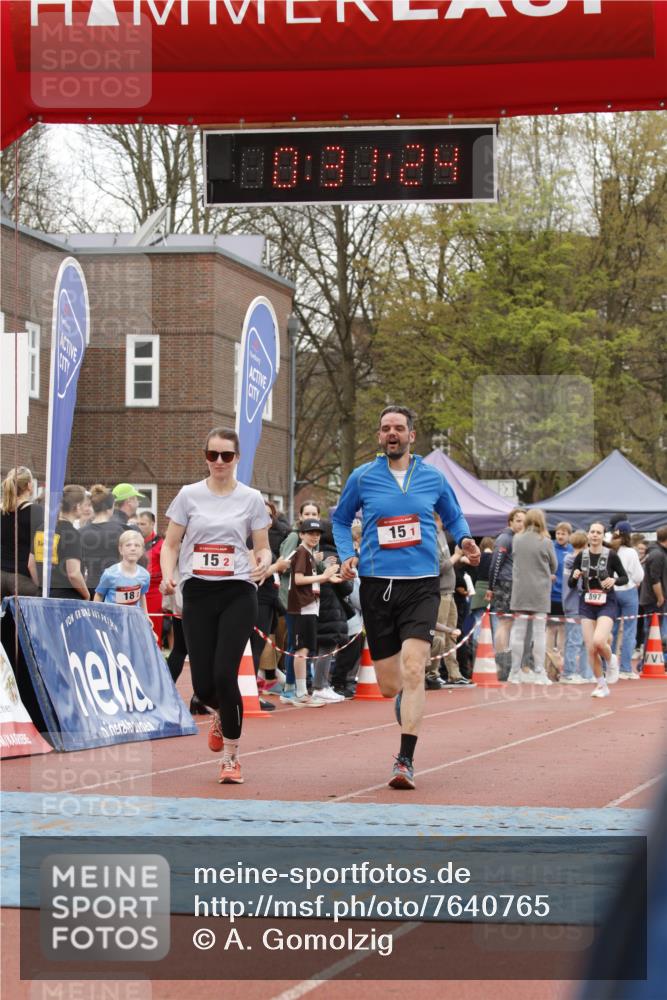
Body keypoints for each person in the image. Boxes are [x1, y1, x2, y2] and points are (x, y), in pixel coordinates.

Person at [332, 405, 480, 790]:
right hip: (377, 584)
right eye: (385, 429)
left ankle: (405, 760)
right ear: (379, 437)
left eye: (399, 428)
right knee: (389, 685)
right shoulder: (362, 477)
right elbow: (339, 519)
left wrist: (465, 539)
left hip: (422, 584)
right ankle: (403, 700)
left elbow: (454, 516)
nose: (392, 433)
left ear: (412, 435)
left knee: (415, 668)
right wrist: (348, 553)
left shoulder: (432, 477)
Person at [160, 427, 272, 785]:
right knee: (205, 687)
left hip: (238, 591)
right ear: (205, 458)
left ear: (237, 458)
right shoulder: (188, 495)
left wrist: (263, 562)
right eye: (213, 455)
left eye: (226, 455)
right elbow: (171, 544)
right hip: (197, 592)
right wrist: (168, 575)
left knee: (227, 674)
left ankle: (231, 758)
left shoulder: (252, 498)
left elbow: (263, 545)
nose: (219, 462)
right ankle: (221, 712)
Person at [281, 517, 339, 707]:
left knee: (305, 648)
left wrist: (332, 577)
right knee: (301, 649)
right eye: (310, 533)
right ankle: (300, 692)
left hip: (309, 606)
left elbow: (313, 579)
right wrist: (325, 576)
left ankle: (301, 691)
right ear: (301, 535)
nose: (314, 537)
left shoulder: (311, 555)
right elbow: (298, 579)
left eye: (317, 534)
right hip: (300, 606)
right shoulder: (302, 553)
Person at [568, 521, 628, 698]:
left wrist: (614, 580)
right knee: (591, 648)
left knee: (599, 641)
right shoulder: (581, 556)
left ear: (603, 536)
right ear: (588, 535)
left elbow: (624, 577)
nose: (594, 535)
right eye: (592, 532)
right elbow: (571, 584)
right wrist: (574, 576)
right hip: (586, 602)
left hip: (606, 601)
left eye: (598, 532)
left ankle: (611, 660)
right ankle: (601, 685)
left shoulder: (611, 555)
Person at [508, 508, 557, 685]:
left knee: (518, 632)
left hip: (520, 590)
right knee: (539, 633)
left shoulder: (517, 539)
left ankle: (514, 671)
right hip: (540, 591)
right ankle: (539, 672)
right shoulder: (545, 541)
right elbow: (554, 565)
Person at [485, 508, 526, 680]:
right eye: (518, 520)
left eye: (524, 521)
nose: (521, 524)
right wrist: (491, 587)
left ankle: (508, 663)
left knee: (510, 625)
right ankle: (501, 662)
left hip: (514, 584)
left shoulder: (516, 539)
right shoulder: (505, 538)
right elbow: (496, 563)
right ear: (510, 522)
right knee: (504, 624)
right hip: (504, 584)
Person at [32, 485, 90, 600]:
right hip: (66, 600)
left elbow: (31, 564)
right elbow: (73, 573)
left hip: (43, 595)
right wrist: (87, 595)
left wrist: (42, 587)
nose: (86, 508)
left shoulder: (42, 528)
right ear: (77, 507)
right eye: (85, 505)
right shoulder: (71, 533)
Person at [609, 520, 644, 679]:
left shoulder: (609, 550)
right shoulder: (631, 552)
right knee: (630, 630)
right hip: (628, 591)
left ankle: (608, 666)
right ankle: (625, 668)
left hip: (612, 590)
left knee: (611, 629)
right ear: (628, 535)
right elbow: (639, 576)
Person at [0, 466, 40, 597]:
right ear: (29, 485)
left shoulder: (2, 511)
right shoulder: (36, 512)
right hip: (22, 578)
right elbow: (32, 561)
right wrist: (39, 585)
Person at [560, 531, 593, 684]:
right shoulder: (577, 560)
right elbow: (581, 586)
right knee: (576, 640)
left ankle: (585, 672)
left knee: (579, 640)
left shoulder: (568, 558)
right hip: (577, 605)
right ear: (586, 544)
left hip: (571, 604)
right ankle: (569, 672)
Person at [80, 485, 124, 596]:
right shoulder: (119, 531)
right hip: (114, 586)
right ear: (110, 508)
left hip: (90, 586)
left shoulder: (80, 532)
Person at [94, 531, 150, 615]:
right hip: (112, 620)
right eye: (128, 545)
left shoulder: (145, 575)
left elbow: (142, 595)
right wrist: (96, 615)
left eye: (137, 545)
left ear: (142, 550)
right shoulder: (110, 574)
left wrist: (146, 615)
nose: (133, 548)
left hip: (133, 620)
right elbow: (99, 595)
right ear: (120, 549)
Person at [545, 522, 573, 673]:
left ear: (569, 535)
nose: (560, 536)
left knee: (562, 629)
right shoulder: (550, 548)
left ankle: (560, 664)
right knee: (550, 629)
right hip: (552, 595)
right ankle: (548, 664)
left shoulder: (572, 550)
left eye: (563, 533)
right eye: (558, 533)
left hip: (566, 596)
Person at [638, 526, 667, 658]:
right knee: (653, 632)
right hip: (654, 600)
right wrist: (660, 597)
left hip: (652, 598)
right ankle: (646, 663)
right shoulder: (657, 554)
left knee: (653, 631)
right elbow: (655, 578)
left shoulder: (656, 552)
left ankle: (649, 662)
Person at [137, 510, 164, 645]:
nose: (140, 526)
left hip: (154, 591)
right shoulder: (135, 543)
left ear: (152, 524)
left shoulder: (160, 544)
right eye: (138, 524)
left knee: (154, 627)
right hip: (137, 588)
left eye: (143, 524)